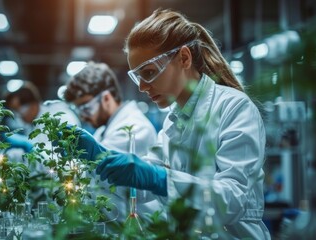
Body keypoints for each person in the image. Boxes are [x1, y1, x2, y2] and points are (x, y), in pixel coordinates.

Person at [74, 9, 271, 239]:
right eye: (137, 77)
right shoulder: (173, 120)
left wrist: (158, 178)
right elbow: (142, 187)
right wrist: (101, 162)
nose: (142, 87)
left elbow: (232, 200)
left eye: (148, 72)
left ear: (184, 58)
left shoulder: (234, 107)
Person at [63, 61, 161, 223]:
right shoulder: (103, 130)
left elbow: (106, 178)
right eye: (78, 110)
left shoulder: (133, 128)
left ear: (106, 98)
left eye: (85, 107)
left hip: (137, 228)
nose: (82, 116)